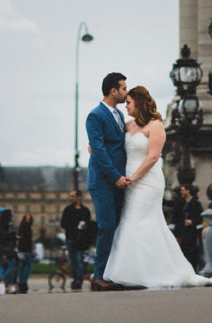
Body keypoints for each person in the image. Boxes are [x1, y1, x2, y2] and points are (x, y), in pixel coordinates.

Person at [104, 86, 212, 290]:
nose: (125, 106)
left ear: (139, 102)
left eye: (128, 102)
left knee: (140, 221)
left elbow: (153, 157)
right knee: (130, 221)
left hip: (147, 182)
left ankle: (144, 273)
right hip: (130, 181)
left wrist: (134, 177)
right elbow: (111, 142)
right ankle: (135, 272)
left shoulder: (155, 125)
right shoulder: (128, 126)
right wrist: (95, 145)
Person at [84, 72, 129, 290]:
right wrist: (116, 176)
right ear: (113, 90)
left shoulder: (119, 115)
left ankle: (111, 273)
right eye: (123, 88)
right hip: (103, 181)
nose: (126, 92)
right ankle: (98, 275)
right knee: (106, 226)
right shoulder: (95, 115)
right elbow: (100, 151)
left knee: (116, 227)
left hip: (117, 180)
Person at [59, 189, 94, 290]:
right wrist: (75, 227)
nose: (70, 198)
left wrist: (85, 225)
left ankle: (79, 281)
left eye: (72, 196)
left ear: (79, 197)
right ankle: (76, 280)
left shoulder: (85, 210)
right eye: (70, 196)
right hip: (70, 238)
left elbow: (89, 224)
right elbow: (63, 223)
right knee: (73, 261)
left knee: (79, 260)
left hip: (81, 240)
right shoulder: (68, 209)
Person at [173, 182, 204, 272]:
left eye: (183, 190)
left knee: (191, 253)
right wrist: (183, 222)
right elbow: (175, 218)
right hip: (180, 232)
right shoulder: (179, 203)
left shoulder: (196, 203)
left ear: (188, 191)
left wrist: (192, 222)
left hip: (191, 233)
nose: (181, 192)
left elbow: (199, 218)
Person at [15, 213, 34, 293]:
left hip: (22, 250)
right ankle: (23, 283)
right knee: (28, 267)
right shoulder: (26, 227)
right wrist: (30, 249)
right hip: (26, 250)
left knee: (22, 267)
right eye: (27, 218)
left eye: (29, 218)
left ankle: (21, 283)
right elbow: (27, 239)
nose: (28, 220)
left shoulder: (22, 226)